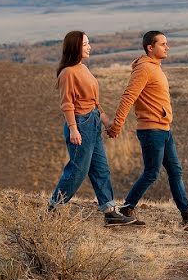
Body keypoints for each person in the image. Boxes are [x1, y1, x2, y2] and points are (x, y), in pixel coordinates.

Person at [107, 31, 188, 227]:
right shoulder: (144, 69)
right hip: (151, 131)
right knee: (151, 173)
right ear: (150, 47)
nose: (167, 47)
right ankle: (126, 208)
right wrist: (117, 125)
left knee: (175, 170)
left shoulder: (155, 67)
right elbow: (128, 97)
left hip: (163, 129)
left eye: (167, 43)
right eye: (163, 44)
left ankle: (187, 214)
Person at [49, 31, 135, 226]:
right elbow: (67, 104)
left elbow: (93, 101)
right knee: (77, 170)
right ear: (75, 47)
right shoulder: (68, 72)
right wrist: (73, 129)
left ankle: (110, 211)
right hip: (80, 124)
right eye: (86, 44)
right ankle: (54, 208)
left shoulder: (83, 68)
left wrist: (104, 120)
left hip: (93, 121)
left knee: (101, 168)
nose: (90, 47)